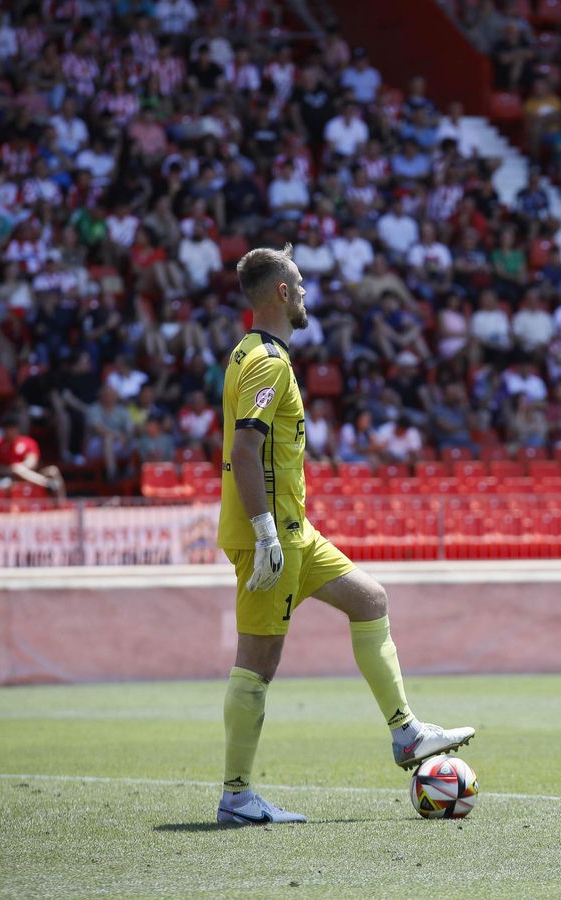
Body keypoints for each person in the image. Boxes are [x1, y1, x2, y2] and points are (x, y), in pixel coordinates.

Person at [215, 246, 473, 825]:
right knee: (258, 663)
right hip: (272, 536)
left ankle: (406, 734)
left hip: (294, 531)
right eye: (299, 283)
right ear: (280, 291)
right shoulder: (267, 362)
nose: (306, 292)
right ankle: (236, 797)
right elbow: (245, 450)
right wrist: (263, 533)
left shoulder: (249, 354)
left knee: (370, 599)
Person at [0, 416, 66, 500]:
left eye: (12, 428)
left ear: (17, 429)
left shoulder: (28, 442)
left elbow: (32, 462)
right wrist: (8, 469)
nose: (9, 432)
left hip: (28, 474)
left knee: (52, 471)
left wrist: (21, 468)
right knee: (16, 469)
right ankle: (48, 484)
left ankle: (61, 502)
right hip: (8, 475)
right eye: (7, 429)